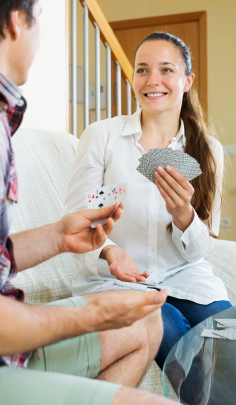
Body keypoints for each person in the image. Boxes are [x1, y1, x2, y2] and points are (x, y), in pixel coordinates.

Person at [0, 3, 177, 405]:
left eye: (167, 69)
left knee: (147, 321)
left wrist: (58, 236)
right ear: (16, 22)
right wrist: (93, 317)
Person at [64, 31, 232, 368]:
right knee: (168, 326)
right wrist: (110, 251)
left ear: (187, 80)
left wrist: (183, 213)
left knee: (225, 333)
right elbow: (77, 219)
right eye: (142, 70)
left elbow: (200, 249)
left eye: (166, 70)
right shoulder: (103, 136)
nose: (152, 80)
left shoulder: (208, 149)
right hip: (118, 281)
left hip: (187, 278)